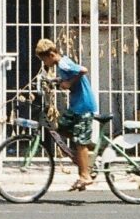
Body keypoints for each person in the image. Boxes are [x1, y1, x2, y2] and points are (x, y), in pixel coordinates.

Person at [35, 37, 97, 190]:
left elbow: (83, 70)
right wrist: (55, 81)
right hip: (76, 106)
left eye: (44, 60)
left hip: (84, 105)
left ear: (50, 55)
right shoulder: (61, 65)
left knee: (80, 141)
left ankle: (85, 176)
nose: (44, 64)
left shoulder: (63, 62)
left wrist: (69, 83)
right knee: (61, 128)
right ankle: (86, 157)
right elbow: (67, 77)